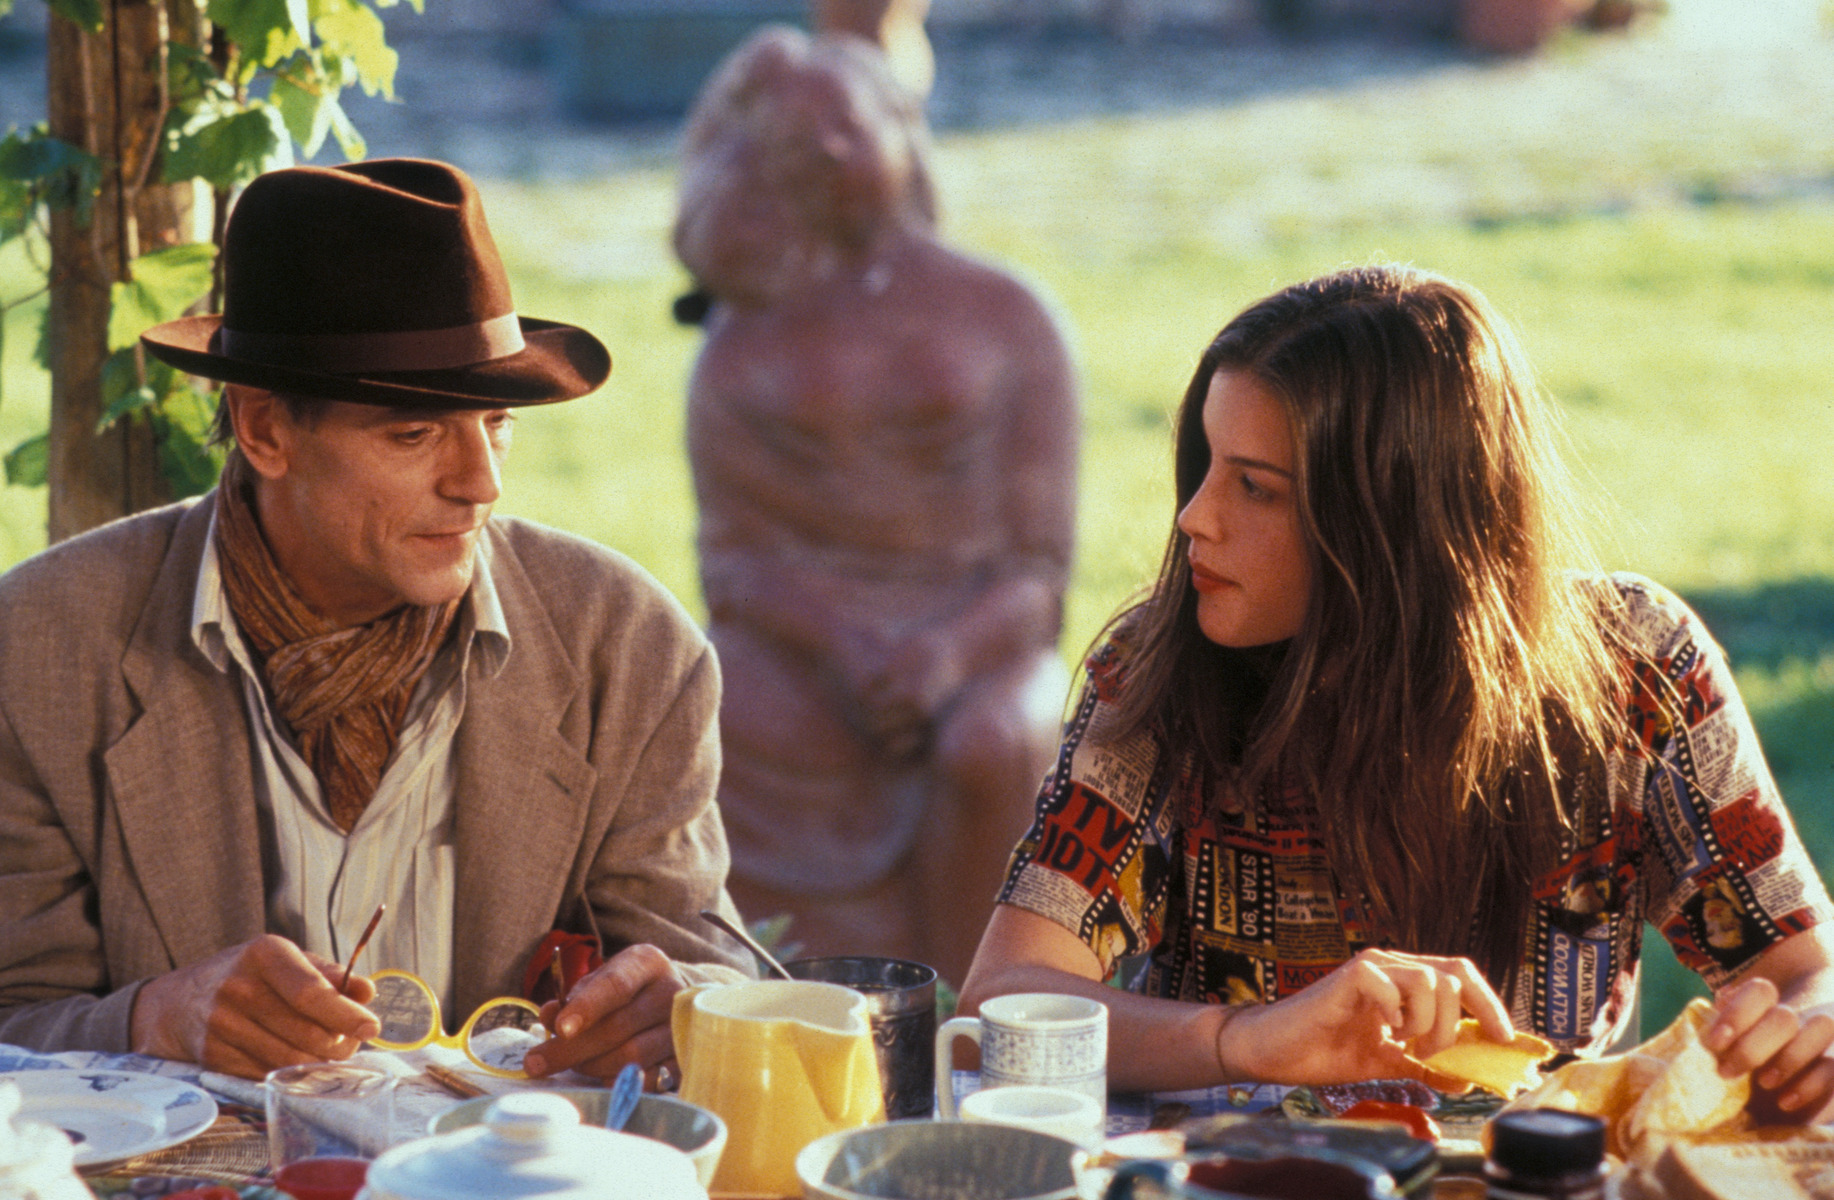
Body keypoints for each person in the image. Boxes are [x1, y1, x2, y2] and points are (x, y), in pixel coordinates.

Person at [958, 264, 1834, 1120]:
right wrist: (1248, 1039)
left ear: (1393, 521)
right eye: (1206, 466)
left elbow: (1805, 969)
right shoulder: (1158, 669)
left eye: (1255, 486)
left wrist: (1805, 1030)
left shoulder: (1639, 667)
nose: (1195, 515)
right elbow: (996, 1006)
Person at [0, 158, 752, 1083]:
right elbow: (12, 1015)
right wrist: (148, 1018)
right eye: (414, 432)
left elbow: (712, 975)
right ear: (264, 430)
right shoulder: (36, 650)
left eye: (496, 422)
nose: (481, 482)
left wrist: (675, 1011)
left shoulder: (630, 649)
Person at [672, 28, 1079, 986]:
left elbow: (1039, 571)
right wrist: (842, 645)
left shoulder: (1009, 317)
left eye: (848, 126)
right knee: (712, 712)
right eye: (797, 140)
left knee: (989, 745)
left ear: (902, 126)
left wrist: (949, 654)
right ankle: (770, 995)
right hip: (803, 642)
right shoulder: (741, 352)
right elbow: (735, 564)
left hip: (977, 636)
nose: (829, 152)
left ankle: (980, 1003)